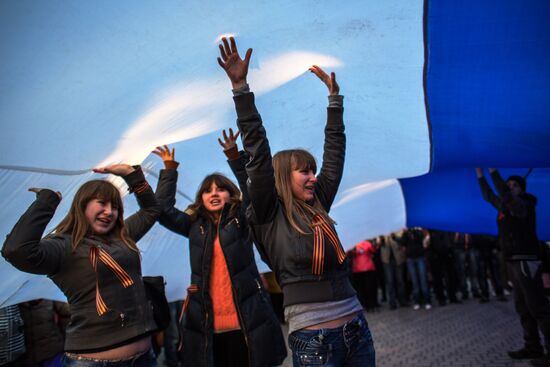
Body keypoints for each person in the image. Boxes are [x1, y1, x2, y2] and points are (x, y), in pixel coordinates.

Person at [217, 36, 375, 366]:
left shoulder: (318, 203)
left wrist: (334, 102)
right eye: (304, 171)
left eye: (313, 170)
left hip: (357, 329)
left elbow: (334, 155)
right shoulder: (266, 212)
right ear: (283, 179)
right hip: (315, 341)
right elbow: (258, 156)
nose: (313, 176)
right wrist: (241, 91)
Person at [2, 164, 161, 367]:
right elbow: (16, 250)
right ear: (82, 205)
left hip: (145, 358)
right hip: (92, 362)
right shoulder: (63, 246)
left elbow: (152, 209)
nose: (109, 211)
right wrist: (47, 202)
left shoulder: (122, 236)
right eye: (102, 203)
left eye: (115, 207)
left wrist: (133, 176)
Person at [153, 136, 286, 367]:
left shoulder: (243, 219)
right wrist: (169, 171)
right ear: (201, 198)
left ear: (231, 194)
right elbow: (162, 210)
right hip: (207, 326)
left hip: (247, 320)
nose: (214, 193)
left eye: (220, 189)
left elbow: (254, 192)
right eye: (207, 191)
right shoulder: (194, 226)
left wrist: (235, 157)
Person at [476, 168, 550, 366]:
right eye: (508, 185)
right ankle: (532, 346)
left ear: (522, 189)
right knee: (523, 307)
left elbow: (505, 195)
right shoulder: (504, 207)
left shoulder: (524, 206)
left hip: (526, 260)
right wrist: (480, 175)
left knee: (538, 307)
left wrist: (493, 173)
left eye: (514, 185)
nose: (510, 188)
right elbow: (489, 196)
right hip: (513, 261)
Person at [17, 299, 70, 367]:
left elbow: (66, 314)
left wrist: (68, 343)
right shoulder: (14, 298)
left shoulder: (49, 294)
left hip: (52, 351)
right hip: (27, 356)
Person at [403, 228, 432, 310]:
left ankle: (427, 300)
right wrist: (405, 233)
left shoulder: (420, 231)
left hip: (420, 257)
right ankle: (417, 301)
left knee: (423, 280)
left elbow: (422, 240)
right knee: (414, 281)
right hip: (410, 258)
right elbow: (403, 242)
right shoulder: (406, 232)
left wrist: (416, 231)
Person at [350, 239, 379, 312]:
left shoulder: (365, 243)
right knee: (365, 289)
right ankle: (369, 305)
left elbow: (373, 250)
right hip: (359, 270)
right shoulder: (354, 244)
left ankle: (370, 305)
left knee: (368, 288)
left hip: (366, 269)